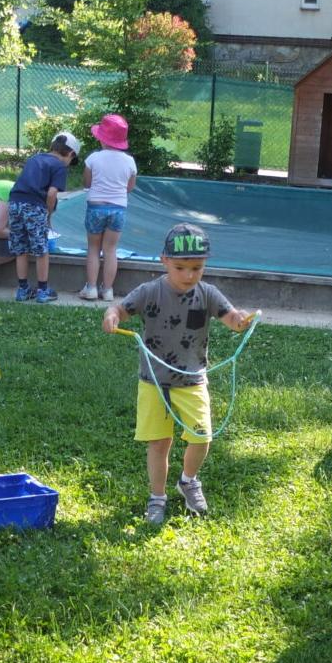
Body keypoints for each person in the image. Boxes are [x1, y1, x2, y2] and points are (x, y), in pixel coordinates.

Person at [101, 223, 256, 525]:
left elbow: (231, 317)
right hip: (154, 382)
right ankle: (157, 497)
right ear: (164, 261)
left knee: (202, 436)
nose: (188, 275)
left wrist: (239, 321)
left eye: (197, 268)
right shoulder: (150, 292)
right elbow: (119, 309)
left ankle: (188, 480)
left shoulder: (207, 293)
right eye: (180, 267)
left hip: (192, 380)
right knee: (159, 443)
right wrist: (111, 315)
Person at [10, 132, 80, 304]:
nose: (69, 165)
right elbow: (51, 193)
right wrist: (48, 213)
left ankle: (23, 290)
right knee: (42, 249)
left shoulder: (34, 159)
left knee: (21, 248)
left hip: (14, 203)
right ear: (71, 154)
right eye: (72, 161)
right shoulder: (59, 166)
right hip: (34, 207)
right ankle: (42, 291)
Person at [79, 114, 138, 302]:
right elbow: (129, 188)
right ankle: (108, 290)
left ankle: (91, 288)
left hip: (95, 208)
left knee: (93, 249)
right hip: (118, 209)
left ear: (102, 139)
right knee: (111, 250)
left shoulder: (93, 158)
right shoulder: (129, 161)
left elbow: (87, 183)